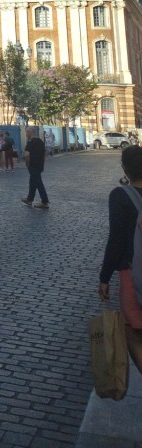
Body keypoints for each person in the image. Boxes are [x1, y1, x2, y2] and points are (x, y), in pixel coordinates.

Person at [98, 145, 142, 372]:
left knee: (133, 331)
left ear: (125, 168)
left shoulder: (120, 196)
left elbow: (115, 239)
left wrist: (104, 277)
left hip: (131, 272)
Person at [21, 127, 49, 208]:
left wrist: (27, 164)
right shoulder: (40, 142)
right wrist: (42, 165)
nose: (26, 133)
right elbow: (44, 154)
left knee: (38, 183)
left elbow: (27, 155)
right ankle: (29, 199)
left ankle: (44, 201)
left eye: (27, 132)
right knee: (32, 182)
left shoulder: (30, 143)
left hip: (32, 165)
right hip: (39, 165)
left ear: (31, 132)